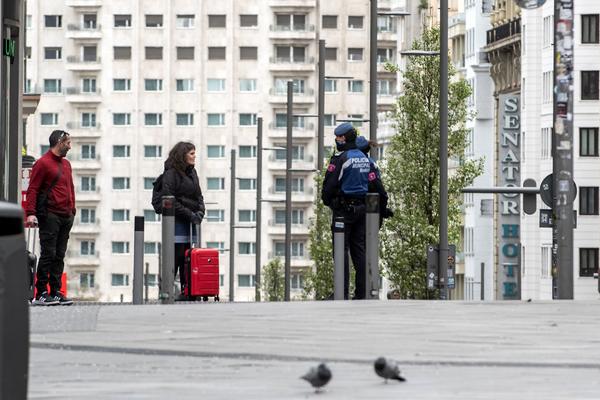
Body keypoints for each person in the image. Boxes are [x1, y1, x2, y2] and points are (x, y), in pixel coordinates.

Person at [322, 123, 383, 300]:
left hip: (344, 210)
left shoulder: (342, 158)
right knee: (359, 251)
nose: (337, 140)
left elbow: (329, 186)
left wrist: (330, 202)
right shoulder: (366, 160)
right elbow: (376, 185)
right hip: (363, 210)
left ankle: (341, 293)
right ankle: (362, 292)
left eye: (340, 138)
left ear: (347, 138)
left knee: (340, 251)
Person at [26, 130, 75, 306]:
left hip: (66, 215)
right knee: (48, 253)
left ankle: (55, 292)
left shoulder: (67, 164)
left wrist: (73, 210)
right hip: (50, 215)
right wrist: (31, 213)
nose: (70, 146)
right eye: (67, 143)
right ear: (59, 142)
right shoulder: (43, 163)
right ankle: (41, 293)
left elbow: (70, 188)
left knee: (59, 255)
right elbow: (33, 189)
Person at [161, 142, 205, 300]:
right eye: (192, 153)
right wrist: (189, 214)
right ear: (182, 155)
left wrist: (200, 211)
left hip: (190, 223)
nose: (194, 156)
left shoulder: (193, 173)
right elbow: (170, 199)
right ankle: (167, 291)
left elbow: (199, 195)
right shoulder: (171, 174)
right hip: (176, 223)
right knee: (176, 256)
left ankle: (188, 291)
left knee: (189, 256)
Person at [355, 136, 394, 227]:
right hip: (370, 207)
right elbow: (379, 189)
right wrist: (383, 210)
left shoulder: (348, 162)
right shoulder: (369, 163)